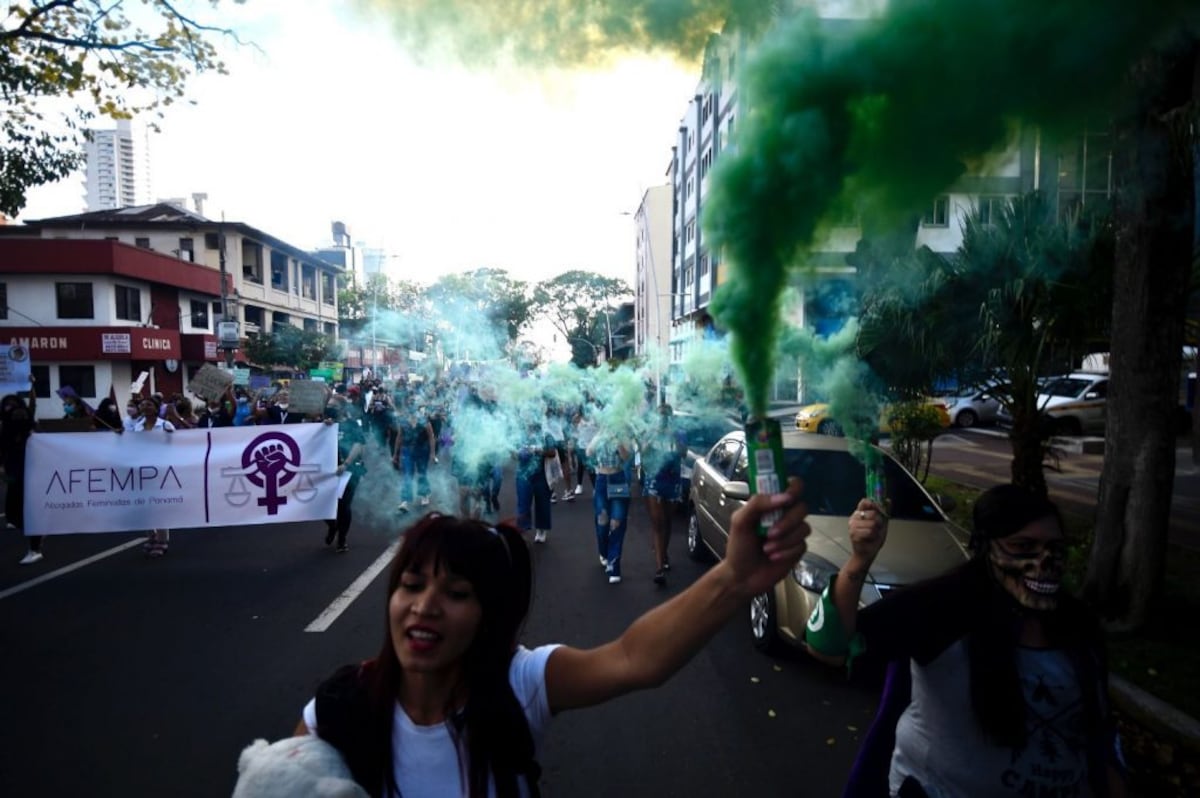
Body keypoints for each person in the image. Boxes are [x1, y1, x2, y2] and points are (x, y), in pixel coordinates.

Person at [294, 479, 809, 798]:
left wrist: (735, 578)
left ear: (488, 615)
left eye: (455, 592)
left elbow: (634, 658)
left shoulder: (520, 684)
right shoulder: (339, 710)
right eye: (410, 585)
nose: (424, 607)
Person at [806, 483, 1127, 798]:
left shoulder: (1079, 625)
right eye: (1023, 547)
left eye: (1055, 549)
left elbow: (1099, 730)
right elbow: (828, 645)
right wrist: (859, 560)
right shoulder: (942, 607)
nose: (1045, 563)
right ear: (987, 549)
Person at [640, 404, 688, 585]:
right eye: (660, 416)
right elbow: (642, 454)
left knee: (667, 522)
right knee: (658, 522)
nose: (663, 420)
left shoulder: (679, 432)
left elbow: (683, 453)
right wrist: (651, 436)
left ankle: (663, 553)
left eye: (666, 416)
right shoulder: (650, 432)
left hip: (673, 481)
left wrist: (674, 436)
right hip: (654, 480)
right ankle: (659, 568)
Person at [585, 432, 634, 584]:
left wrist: (618, 443)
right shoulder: (598, 435)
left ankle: (614, 567)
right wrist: (599, 438)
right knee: (602, 524)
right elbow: (588, 452)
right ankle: (604, 552)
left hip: (618, 480)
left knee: (617, 523)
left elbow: (627, 458)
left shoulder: (622, 436)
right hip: (601, 480)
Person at [129, 396, 176, 557]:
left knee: (159, 505)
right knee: (145, 505)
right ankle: (151, 536)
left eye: (149, 404)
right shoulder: (137, 426)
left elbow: (175, 445)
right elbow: (130, 445)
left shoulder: (164, 425)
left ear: (156, 408)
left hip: (160, 470)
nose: (145, 407)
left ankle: (162, 540)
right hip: (142, 470)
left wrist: (170, 437)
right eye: (143, 404)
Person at [2, 379, 39, 564]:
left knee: (30, 510)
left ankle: (35, 547)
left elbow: (32, 406)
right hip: (13, 472)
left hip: (29, 473)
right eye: (7, 407)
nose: (13, 412)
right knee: (13, 511)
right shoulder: (5, 432)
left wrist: (32, 386)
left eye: (15, 408)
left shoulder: (30, 432)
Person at [325, 402, 366, 553]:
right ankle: (332, 526)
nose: (333, 408)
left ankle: (342, 539)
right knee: (322, 504)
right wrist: (323, 425)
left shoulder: (352, 424)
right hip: (326, 471)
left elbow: (359, 444)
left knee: (343, 506)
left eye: (336, 405)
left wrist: (346, 463)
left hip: (349, 470)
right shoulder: (325, 424)